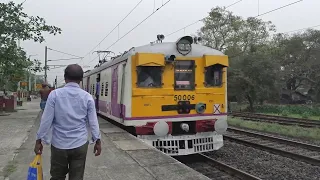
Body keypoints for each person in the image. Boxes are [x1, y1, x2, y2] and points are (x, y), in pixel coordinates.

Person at [34, 64, 101, 180]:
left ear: (65, 78)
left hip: (59, 145)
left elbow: (46, 120)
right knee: (77, 178)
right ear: (81, 79)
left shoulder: (54, 95)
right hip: (80, 144)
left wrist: (39, 140)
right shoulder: (87, 97)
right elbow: (93, 122)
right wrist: (97, 140)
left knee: (57, 176)